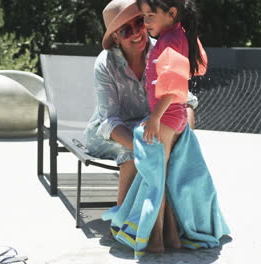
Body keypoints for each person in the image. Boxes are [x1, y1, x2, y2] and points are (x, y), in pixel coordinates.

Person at [84, 0, 198, 245]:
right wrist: (141, 150)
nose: (136, 32)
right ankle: (124, 225)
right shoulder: (106, 63)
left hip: (151, 127)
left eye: (139, 22)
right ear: (115, 37)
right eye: (126, 30)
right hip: (112, 133)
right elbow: (109, 121)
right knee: (131, 153)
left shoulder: (163, 49)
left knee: (174, 152)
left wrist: (183, 136)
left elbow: (185, 99)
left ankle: (172, 227)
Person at [136, 0, 207, 252]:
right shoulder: (179, 34)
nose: (145, 22)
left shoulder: (170, 40)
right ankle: (171, 238)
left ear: (171, 13)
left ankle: (155, 239)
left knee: (157, 180)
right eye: (143, 16)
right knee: (163, 178)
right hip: (175, 115)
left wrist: (154, 117)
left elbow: (174, 84)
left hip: (166, 116)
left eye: (150, 15)